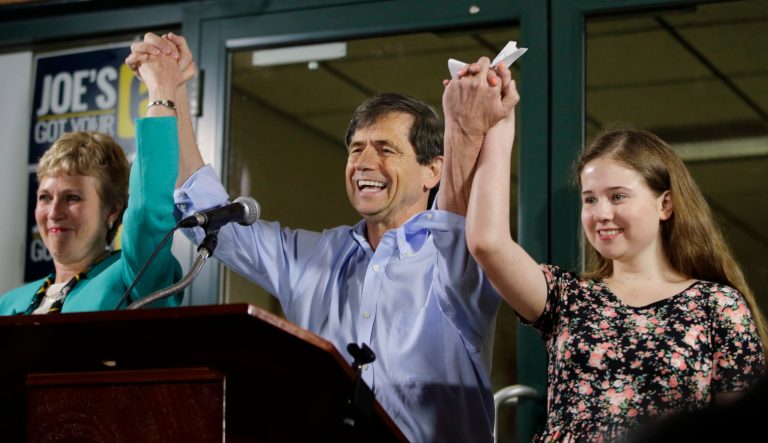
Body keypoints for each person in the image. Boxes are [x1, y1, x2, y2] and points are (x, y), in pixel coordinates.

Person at [126, 33, 517, 442]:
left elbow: (457, 216)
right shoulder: (313, 257)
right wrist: (173, 88)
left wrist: (467, 125)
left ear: (431, 172)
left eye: (386, 149)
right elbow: (204, 211)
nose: (365, 163)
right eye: (356, 149)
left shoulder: (458, 255)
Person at [463, 94, 768, 441]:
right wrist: (499, 126)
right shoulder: (568, 297)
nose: (601, 213)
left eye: (618, 196)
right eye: (590, 199)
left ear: (664, 203)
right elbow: (487, 242)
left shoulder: (718, 306)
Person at [0, 69, 184, 315]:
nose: (54, 212)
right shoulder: (9, 303)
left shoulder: (132, 278)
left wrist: (161, 88)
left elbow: (147, 212)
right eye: (45, 197)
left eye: (72, 197)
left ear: (112, 211)